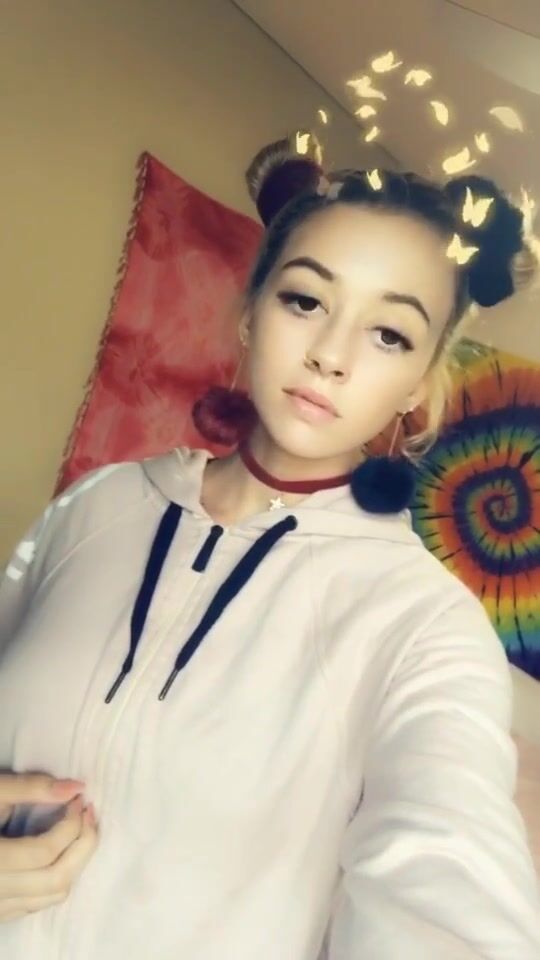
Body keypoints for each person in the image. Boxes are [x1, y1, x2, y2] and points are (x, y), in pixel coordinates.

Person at [0, 137, 539, 960]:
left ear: (419, 387)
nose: (331, 354)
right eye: (305, 300)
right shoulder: (95, 504)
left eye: (390, 334)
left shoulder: (425, 627)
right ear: (251, 313)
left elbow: (447, 877)